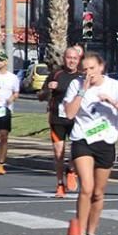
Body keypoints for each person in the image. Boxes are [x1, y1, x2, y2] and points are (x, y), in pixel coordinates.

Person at [63, 52, 118, 235]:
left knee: (98, 192)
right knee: (86, 188)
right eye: (84, 70)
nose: (88, 73)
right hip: (82, 141)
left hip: (106, 142)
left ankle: (91, 234)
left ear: (101, 67)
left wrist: (113, 102)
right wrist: (82, 91)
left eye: (92, 69)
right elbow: (70, 113)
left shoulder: (114, 87)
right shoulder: (76, 85)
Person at [39, 46, 83, 197]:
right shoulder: (56, 74)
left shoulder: (82, 76)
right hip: (57, 119)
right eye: (69, 58)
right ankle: (60, 184)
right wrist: (48, 90)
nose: (71, 61)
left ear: (79, 60)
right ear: (64, 59)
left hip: (76, 119)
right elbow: (40, 96)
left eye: (74, 58)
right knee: (59, 153)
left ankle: (71, 169)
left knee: (78, 151)